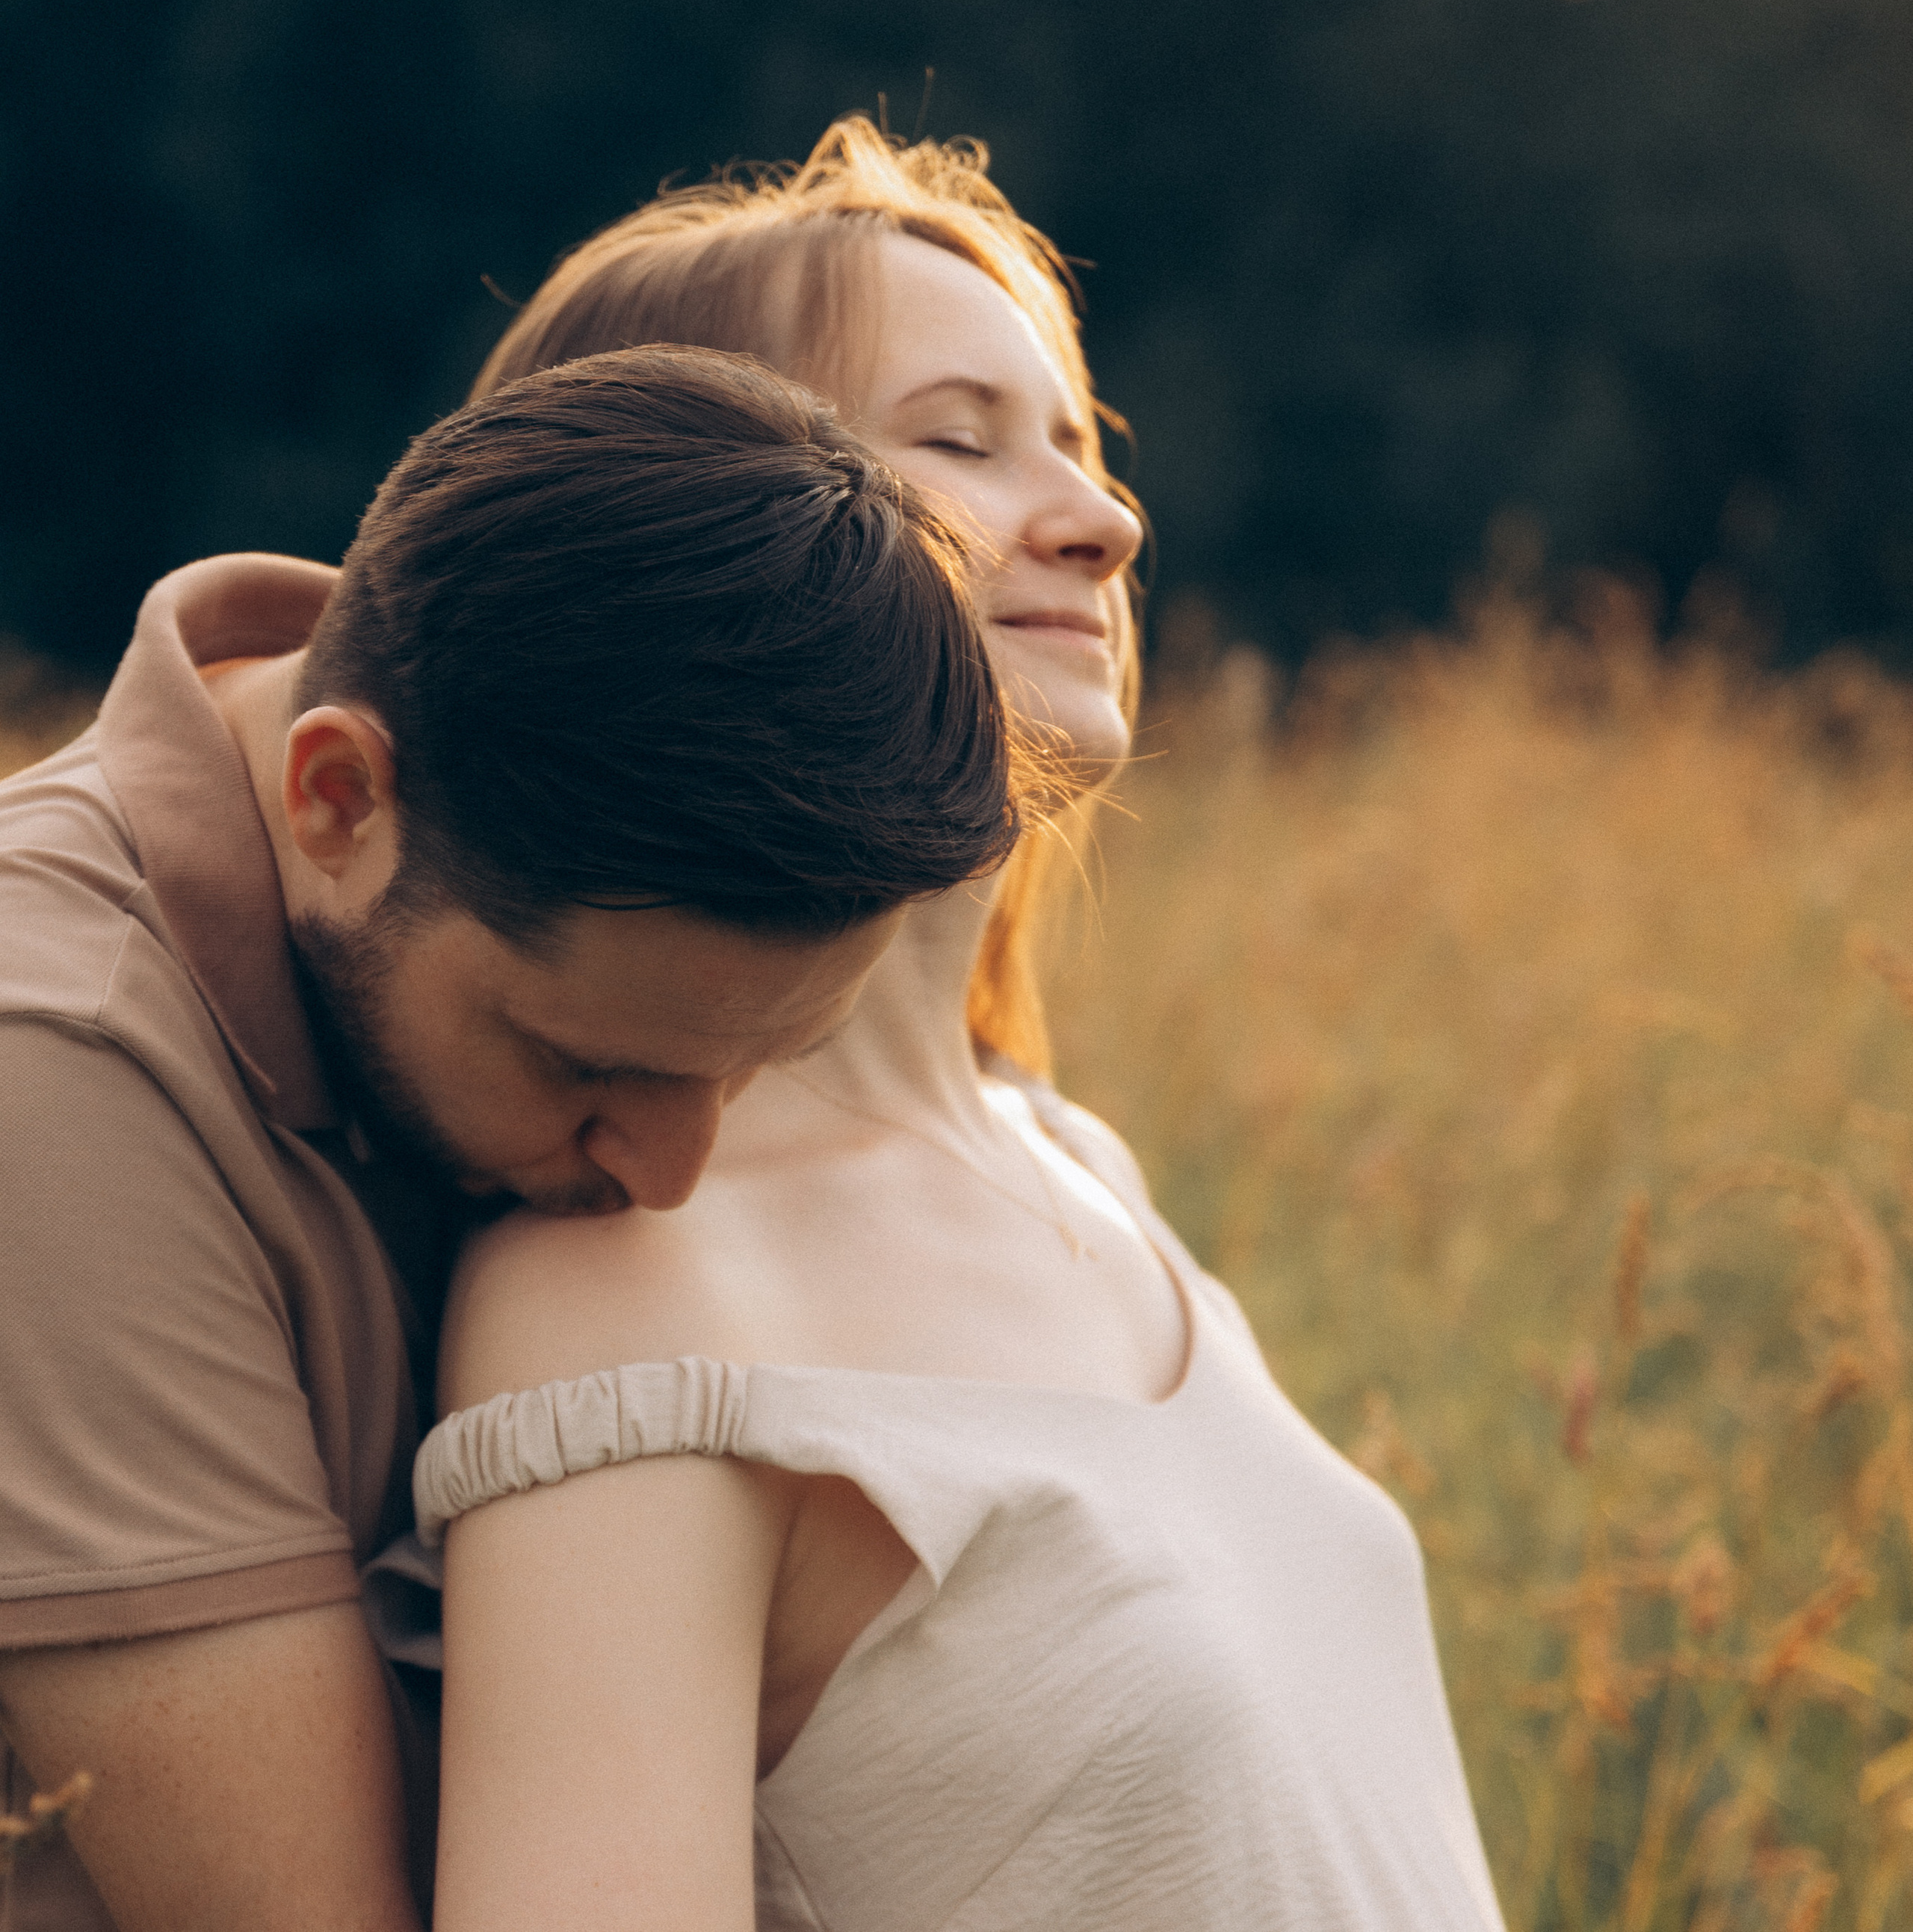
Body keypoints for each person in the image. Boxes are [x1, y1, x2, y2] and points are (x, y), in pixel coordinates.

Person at [418, 119, 1507, 1929]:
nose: (1103, 515)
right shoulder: (631, 1290)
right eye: (956, 439)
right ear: (698, 539)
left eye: (1074, 441)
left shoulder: (1073, 1161)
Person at [0, 344, 1018, 1932]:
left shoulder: (551, 763)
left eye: (766, 1063)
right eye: (589, 1065)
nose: (669, 1178)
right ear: (337, 798)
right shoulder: (44, 1076)